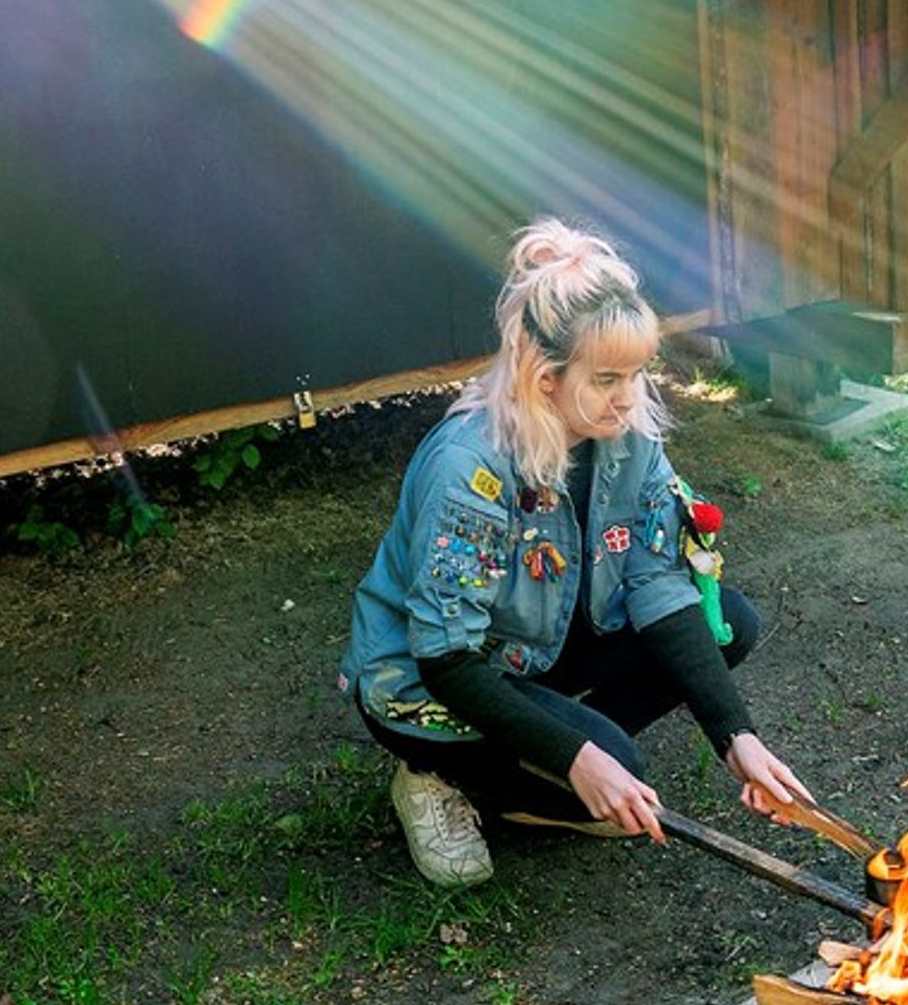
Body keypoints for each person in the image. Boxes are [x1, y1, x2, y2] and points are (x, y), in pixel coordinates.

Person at [341, 219, 811, 887]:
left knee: (726, 621)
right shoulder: (469, 467)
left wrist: (736, 735)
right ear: (544, 376)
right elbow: (444, 655)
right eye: (608, 377)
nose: (630, 397)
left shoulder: (627, 437)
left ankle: (533, 758)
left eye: (639, 372)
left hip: (534, 641)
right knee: (614, 778)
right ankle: (441, 776)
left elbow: (658, 583)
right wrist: (580, 756)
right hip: (427, 675)